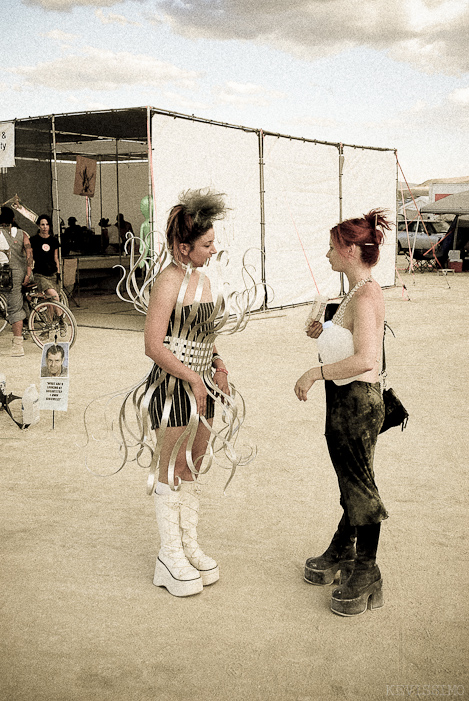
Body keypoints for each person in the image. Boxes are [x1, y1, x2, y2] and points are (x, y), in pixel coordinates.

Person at [142, 189, 239, 598]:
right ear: (184, 246)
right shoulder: (167, 281)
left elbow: (206, 333)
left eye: (213, 242)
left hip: (204, 383)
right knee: (169, 469)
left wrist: (216, 363)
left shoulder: (203, 279)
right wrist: (192, 378)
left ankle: (187, 544)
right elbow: (153, 344)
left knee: (194, 466)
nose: (214, 250)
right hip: (172, 387)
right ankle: (168, 556)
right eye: (207, 244)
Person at [294, 209, 392, 617]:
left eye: (333, 247)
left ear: (351, 250)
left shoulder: (367, 295)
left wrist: (313, 372)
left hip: (357, 405)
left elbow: (366, 358)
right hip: (345, 404)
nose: (328, 254)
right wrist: (326, 331)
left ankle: (367, 571)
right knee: (353, 482)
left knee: (360, 488)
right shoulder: (354, 291)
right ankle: (343, 548)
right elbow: (350, 340)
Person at [0, 206, 33, 357]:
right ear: (13, 219)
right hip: (22, 274)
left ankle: (18, 344)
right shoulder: (23, 234)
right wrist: (28, 273)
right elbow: (29, 254)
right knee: (17, 305)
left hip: (7, 276)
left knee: (14, 308)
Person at [30, 215, 67, 337]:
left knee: (49, 302)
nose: (45, 227)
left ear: (49, 226)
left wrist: (59, 273)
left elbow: (56, 258)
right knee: (54, 296)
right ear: (38, 226)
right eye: (42, 224)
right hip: (40, 274)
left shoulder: (53, 240)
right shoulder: (33, 240)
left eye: (47, 224)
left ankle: (48, 326)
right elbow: (30, 258)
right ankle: (61, 320)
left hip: (53, 273)